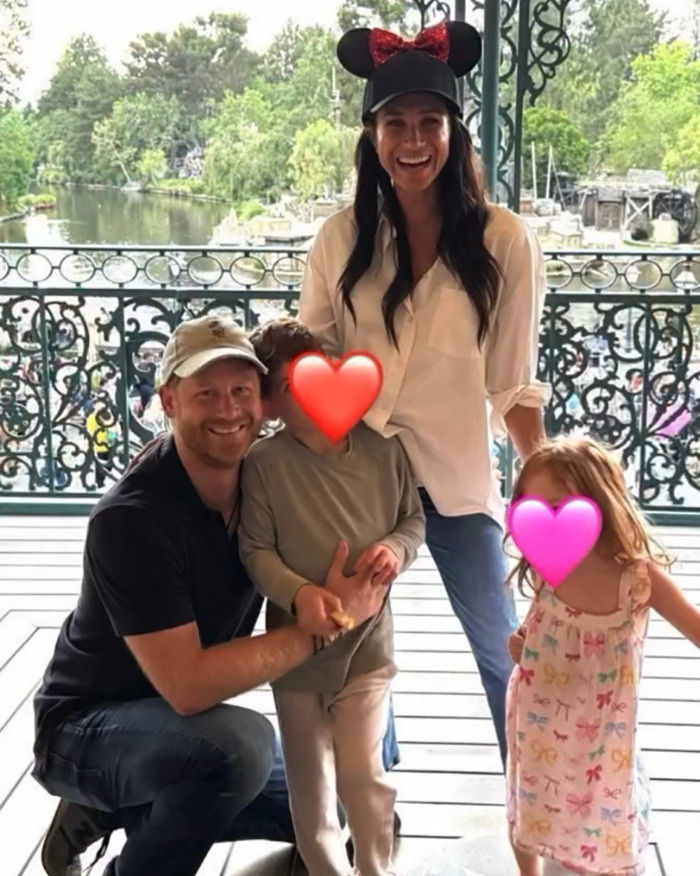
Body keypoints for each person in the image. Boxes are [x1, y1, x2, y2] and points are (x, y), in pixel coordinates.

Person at [32, 314, 391, 876]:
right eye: (206, 394)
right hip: (89, 725)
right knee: (238, 748)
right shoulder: (131, 520)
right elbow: (190, 686)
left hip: (176, 724)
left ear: (262, 403)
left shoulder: (266, 478)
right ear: (169, 401)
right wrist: (325, 625)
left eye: (241, 391)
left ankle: (109, 808)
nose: (228, 410)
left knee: (342, 797)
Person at [298, 19, 550, 768]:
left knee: (502, 644)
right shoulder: (338, 240)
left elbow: (512, 380)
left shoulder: (504, 240)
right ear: (372, 137)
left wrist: (547, 476)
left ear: (454, 133)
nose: (413, 141)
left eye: (430, 122)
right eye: (396, 123)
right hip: (357, 477)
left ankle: (535, 798)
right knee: (354, 644)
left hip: (455, 479)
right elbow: (310, 361)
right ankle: (370, 792)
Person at [241, 318, 425, 876]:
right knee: (310, 785)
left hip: (367, 645)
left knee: (362, 772)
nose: (309, 393)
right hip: (296, 650)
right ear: (271, 403)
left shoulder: (384, 450)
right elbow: (256, 550)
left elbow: (412, 520)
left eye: (315, 375)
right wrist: (299, 594)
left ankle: (375, 867)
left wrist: (395, 549)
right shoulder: (265, 465)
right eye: (290, 385)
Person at [504, 435, 700, 876]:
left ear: (600, 502)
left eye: (559, 507)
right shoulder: (546, 563)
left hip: (604, 734)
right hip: (539, 719)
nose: (546, 523)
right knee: (531, 803)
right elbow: (539, 627)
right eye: (532, 508)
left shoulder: (637, 579)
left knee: (607, 818)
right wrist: (522, 644)